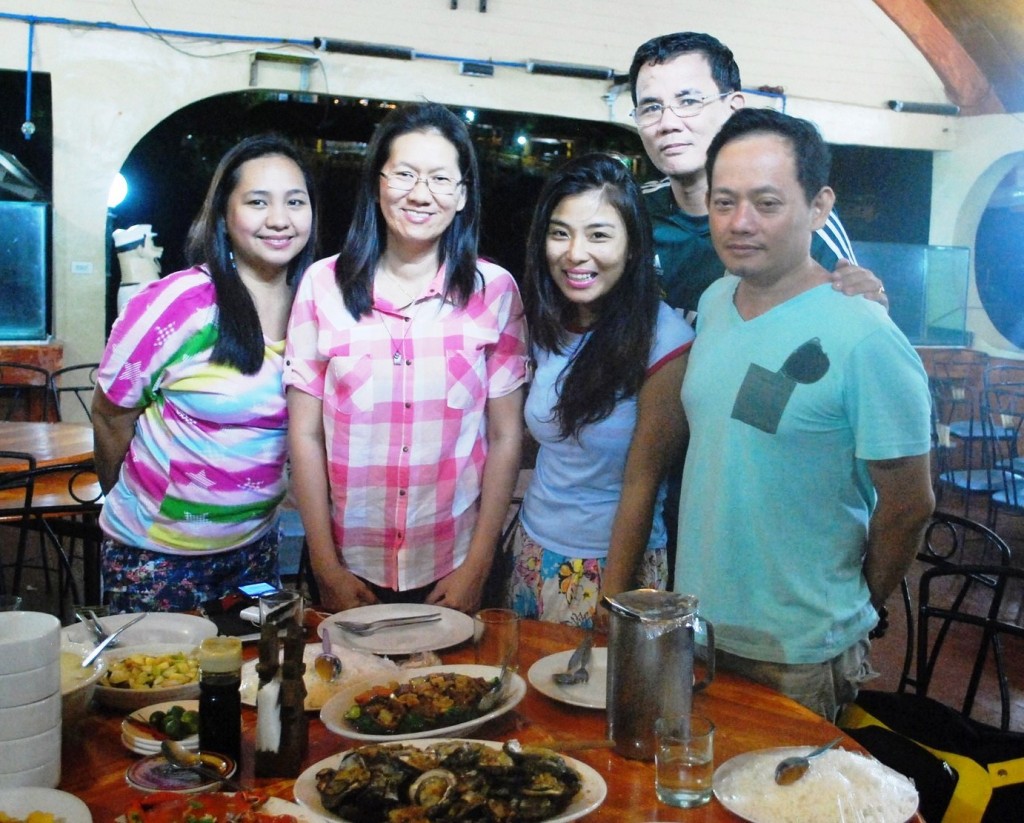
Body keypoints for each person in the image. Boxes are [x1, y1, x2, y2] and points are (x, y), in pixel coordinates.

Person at [674, 107, 934, 720]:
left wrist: (850, 608)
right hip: (698, 631)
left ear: (818, 207)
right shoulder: (714, 301)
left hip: (795, 657)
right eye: (723, 202)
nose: (740, 223)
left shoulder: (865, 335)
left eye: (767, 203)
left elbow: (910, 502)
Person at [285, 102, 527, 614]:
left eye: (441, 179)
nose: (421, 194)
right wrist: (326, 568)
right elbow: (304, 434)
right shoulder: (322, 286)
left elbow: (506, 437)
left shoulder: (495, 292)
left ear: (462, 195)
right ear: (378, 182)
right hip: (348, 565)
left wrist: (478, 566)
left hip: (452, 565)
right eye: (405, 174)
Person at [92, 134, 318, 613]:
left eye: (294, 202)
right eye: (257, 202)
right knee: (155, 687)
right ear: (224, 214)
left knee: (247, 684)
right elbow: (111, 416)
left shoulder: (316, 308)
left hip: (255, 551)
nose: (279, 219)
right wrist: (131, 504)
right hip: (154, 557)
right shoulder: (176, 305)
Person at [504, 153, 693, 628]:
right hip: (533, 547)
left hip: (610, 565)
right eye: (560, 232)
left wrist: (614, 602)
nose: (575, 253)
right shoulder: (548, 324)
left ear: (632, 247)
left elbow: (643, 483)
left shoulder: (664, 340)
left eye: (599, 235)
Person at [628, 31, 885, 322]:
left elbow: (856, 317)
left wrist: (868, 302)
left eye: (688, 101)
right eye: (651, 108)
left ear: (733, 108)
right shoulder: (632, 212)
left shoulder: (799, 221)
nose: (668, 123)